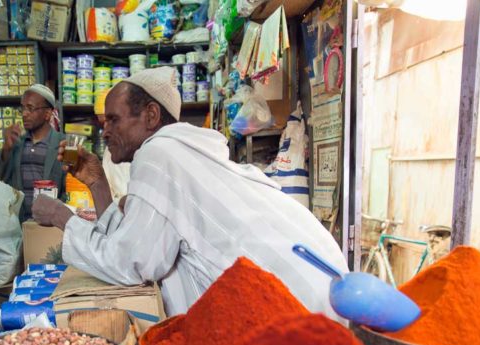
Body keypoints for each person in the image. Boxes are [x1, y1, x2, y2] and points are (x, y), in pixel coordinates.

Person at [31, 67, 347, 317]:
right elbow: (135, 241)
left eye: (114, 119)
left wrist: (63, 217)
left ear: (151, 116)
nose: (105, 131)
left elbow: (132, 263)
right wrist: (98, 182)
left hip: (297, 315)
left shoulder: (159, 153)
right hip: (321, 297)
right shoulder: (181, 153)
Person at [0, 84, 66, 220]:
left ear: (47, 114)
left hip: (50, 227)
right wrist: (6, 149)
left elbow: (68, 191)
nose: (24, 114)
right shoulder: (16, 144)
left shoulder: (63, 144)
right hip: (18, 225)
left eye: (30, 108)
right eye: (22, 108)